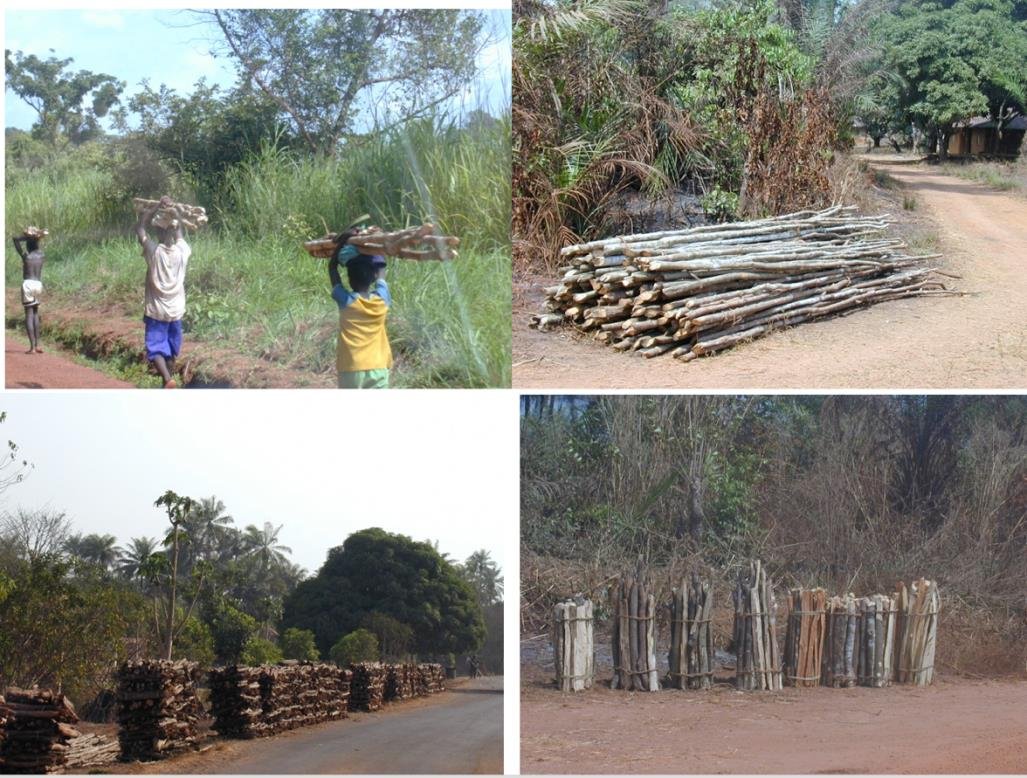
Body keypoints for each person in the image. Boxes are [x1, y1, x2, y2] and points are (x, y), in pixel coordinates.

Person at [135, 196, 191, 388]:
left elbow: (140, 229)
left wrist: (155, 207)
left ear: (158, 230)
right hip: (176, 310)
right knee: (172, 349)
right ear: (173, 231)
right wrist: (176, 214)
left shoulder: (153, 251)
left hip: (157, 310)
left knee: (156, 347)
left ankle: (167, 379)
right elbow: (180, 234)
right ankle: (167, 383)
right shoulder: (183, 251)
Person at [329, 231, 393, 389]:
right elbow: (381, 272)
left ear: (349, 280)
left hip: (351, 367)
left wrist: (340, 244)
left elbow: (332, 268)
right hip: (379, 366)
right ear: (372, 278)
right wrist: (376, 246)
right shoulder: (382, 300)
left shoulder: (346, 301)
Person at [12, 227, 48, 354]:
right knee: (35, 313)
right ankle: (37, 345)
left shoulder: (26, 256)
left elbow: (15, 239)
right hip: (38, 284)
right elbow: (36, 245)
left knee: (29, 314)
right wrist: (35, 237)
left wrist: (26, 237)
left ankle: (32, 347)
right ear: (37, 243)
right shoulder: (41, 255)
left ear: (27, 243)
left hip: (28, 284)